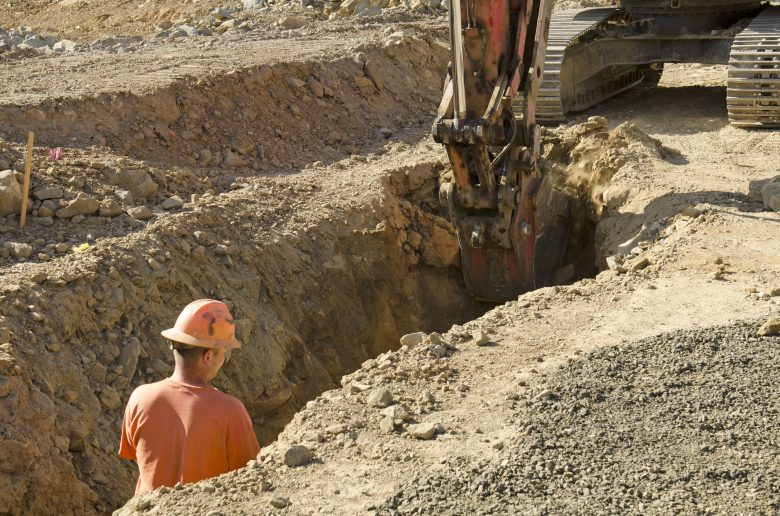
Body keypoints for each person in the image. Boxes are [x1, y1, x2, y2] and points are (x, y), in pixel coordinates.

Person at [119, 299, 260, 494]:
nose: (223, 361)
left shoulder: (140, 398)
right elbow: (251, 476)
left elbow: (143, 457)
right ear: (208, 356)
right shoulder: (230, 411)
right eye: (224, 354)